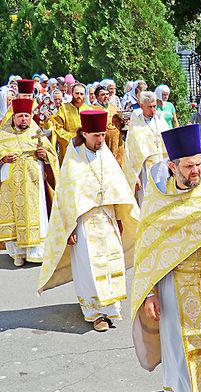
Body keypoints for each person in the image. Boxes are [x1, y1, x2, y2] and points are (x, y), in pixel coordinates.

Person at [130, 124, 201, 391]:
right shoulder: (158, 201)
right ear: (172, 167)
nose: (195, 171)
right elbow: (148, 251)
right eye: (188, 167)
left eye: (198, 164)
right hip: (177, 285)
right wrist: (149, 294)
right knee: (184, 353)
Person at [37, 110, 139, 332]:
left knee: (112, 262)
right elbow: (66, 198)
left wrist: (120, 216)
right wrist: (69, 227)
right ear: (84, 134)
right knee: (89, 267)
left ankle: (111, 308)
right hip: (84, 222)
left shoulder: (106, 155)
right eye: (96, 136)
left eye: (102, 135)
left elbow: (117, 188)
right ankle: (94, 312)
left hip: (107, 219)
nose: (101, 140)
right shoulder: (73, 161)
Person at [0, 98, 58, 266]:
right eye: (20, 116)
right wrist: (3, 158)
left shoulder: (36, 132)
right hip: (11, 184)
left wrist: (44, 155)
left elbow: (51, 155)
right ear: (13, 117)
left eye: (26, 115)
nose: (24, 119)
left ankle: (36, 252)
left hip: (34, 183)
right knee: (13, 214)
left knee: (36, 214)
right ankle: (17, 253)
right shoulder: (3, 135)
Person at [124, 91, 169, 206]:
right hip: (146, 168)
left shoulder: (160, 119)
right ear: (141, 106)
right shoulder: (136, 123)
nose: (153, 110)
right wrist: (135, 177)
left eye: (154, 106)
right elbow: (130, 152)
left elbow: (168, 140)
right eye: (150, 107)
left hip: (162, 164)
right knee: (148, 200)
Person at [51, 82, 91, 164]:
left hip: (86, 148)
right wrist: (73, 139)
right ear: (72, 93)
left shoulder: (89, 110)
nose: (79, 96)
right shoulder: (63, 108)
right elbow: (57, 128)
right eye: (76, 93)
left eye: (81, 94)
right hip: (69, 148)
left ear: (85, 95)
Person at [91, 85, 124, 166]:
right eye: (102, 95)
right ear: (96, 96)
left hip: (117, 142)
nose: (106, 96)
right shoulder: (92, 109)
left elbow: (121, 125)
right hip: (102, 142)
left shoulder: (114, 108)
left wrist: (123, 120)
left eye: (107, 94)